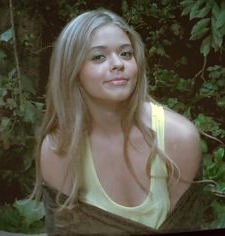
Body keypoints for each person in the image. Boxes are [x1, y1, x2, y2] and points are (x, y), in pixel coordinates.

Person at [33, 9, 213, 235]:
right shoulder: (59, 149)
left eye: (126, 54)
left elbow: (186, 225)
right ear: (72, 71)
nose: (118, 64)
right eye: (98, 57)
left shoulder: (178, 137)